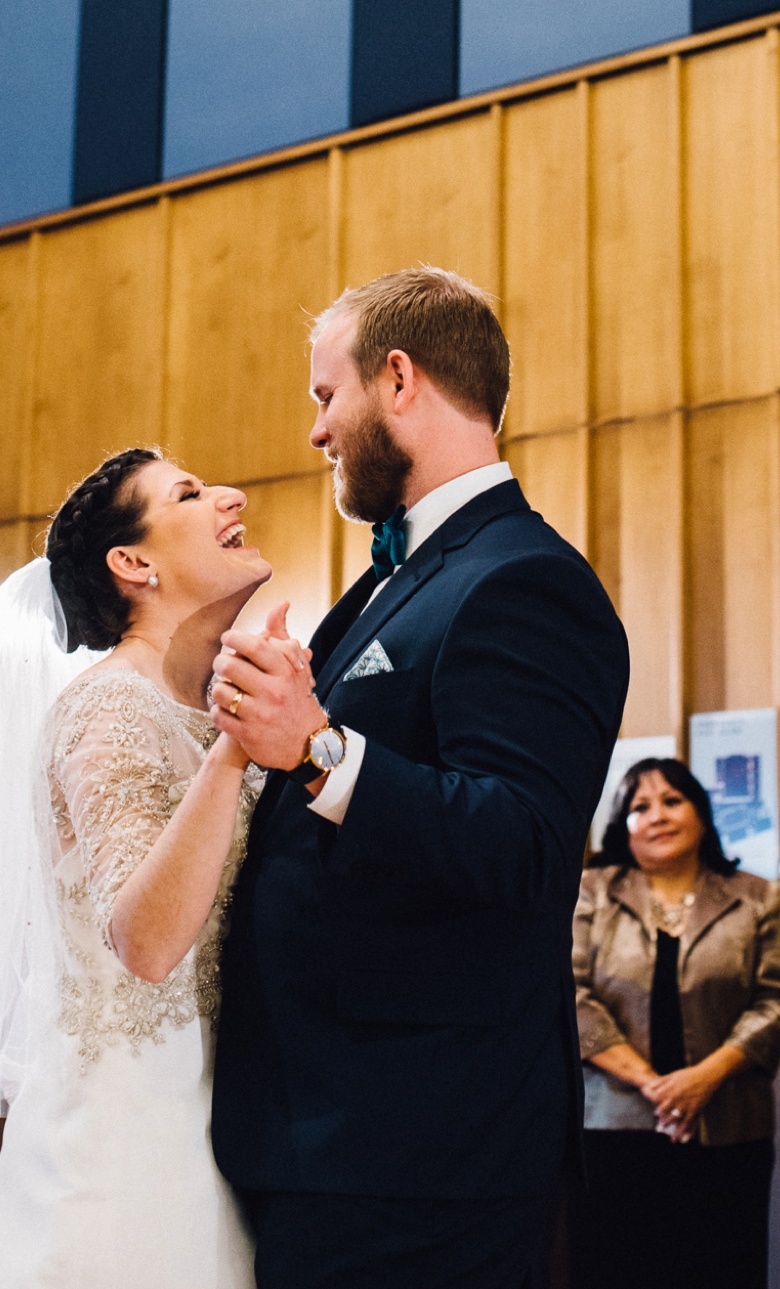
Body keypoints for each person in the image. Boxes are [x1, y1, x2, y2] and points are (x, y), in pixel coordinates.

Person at [206, 267, 631, 1289]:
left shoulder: (524, 580)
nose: (315, 432)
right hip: (331, 1137)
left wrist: (316, 749)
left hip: (420, 1154)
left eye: (324, 396)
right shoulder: (395, 580)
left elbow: (521, 843)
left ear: (397, 380)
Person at [0, 445, 288, 1287]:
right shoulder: (109, 706)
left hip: (220, 1117)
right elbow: (146, 940)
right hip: (126, 1140)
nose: (232, 495)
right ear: (133, 562)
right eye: (189, 493)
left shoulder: (213, 711)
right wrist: (233, 751)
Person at [570, 758, 780, 1289]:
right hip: (613, 1130)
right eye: (639, 806)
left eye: (673, 800)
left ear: (701, 811)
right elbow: (569, 995)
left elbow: (778, 1001)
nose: (657, 816)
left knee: (723, 1267)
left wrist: (702, 1080)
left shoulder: (758, 897)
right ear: (622, 824)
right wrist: (654, 1085)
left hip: (727, 1126)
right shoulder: (591, 892)